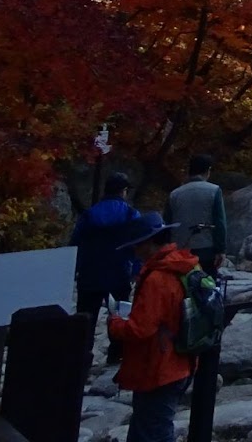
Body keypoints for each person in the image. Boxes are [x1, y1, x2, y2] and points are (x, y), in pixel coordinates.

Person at [108, 213, 199, 442]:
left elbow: (140, 329)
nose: (135, 251)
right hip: (181, 361)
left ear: (149, 243)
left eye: (137, 245)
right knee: (150, 427)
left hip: (159, 368)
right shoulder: (182, 265)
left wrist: (115, 323)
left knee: (154, 431)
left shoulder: (157, 278)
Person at [73, 173, 141, 362]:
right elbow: (139, 245)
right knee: (119, 315)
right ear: (123, 191)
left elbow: (76, 243)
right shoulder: (130, 214)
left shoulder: (90, 214)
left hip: (90, 274)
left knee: (86, 318)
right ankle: (116, 355)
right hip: (119, 273)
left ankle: (81, 357)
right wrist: (137, 270)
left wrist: (74, 270)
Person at [166, 154, 226, 276]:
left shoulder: (174, 194)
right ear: (208, 170)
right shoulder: (214, 190)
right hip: (206, 248)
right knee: (206, 287)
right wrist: (221, 249)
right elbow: (219, 222)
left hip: (179, 250)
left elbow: (167, 223)